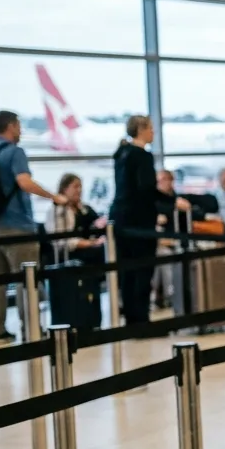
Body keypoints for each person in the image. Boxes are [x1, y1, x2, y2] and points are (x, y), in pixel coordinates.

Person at [0, 110, 68, 344]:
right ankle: (32, 330)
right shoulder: (15, 152)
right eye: (18, 125)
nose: (21, 130)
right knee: (26, 281)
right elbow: (24, 181)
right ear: (11, 126)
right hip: (17, 226)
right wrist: (53, 196)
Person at [110, 116, 189, 324]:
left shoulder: (121, 154)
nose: (153, 133)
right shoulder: (142, 156)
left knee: (127, 272)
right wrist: (171, 201)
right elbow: (146, 190)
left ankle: (130, 317)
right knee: (143, 270)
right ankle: (141, 319)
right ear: (141, 130)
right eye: (151, 128)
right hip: (139, 221)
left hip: (121, 218)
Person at [45, 173, 106, 264]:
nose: (79, 190)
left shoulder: (85, 208)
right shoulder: (56, 211)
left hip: (89, 248)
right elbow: (61, 241)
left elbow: (97, 221)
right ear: (64, 189)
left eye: (80, 187)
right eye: (75, 187)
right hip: (69, 253)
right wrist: (91, 243)